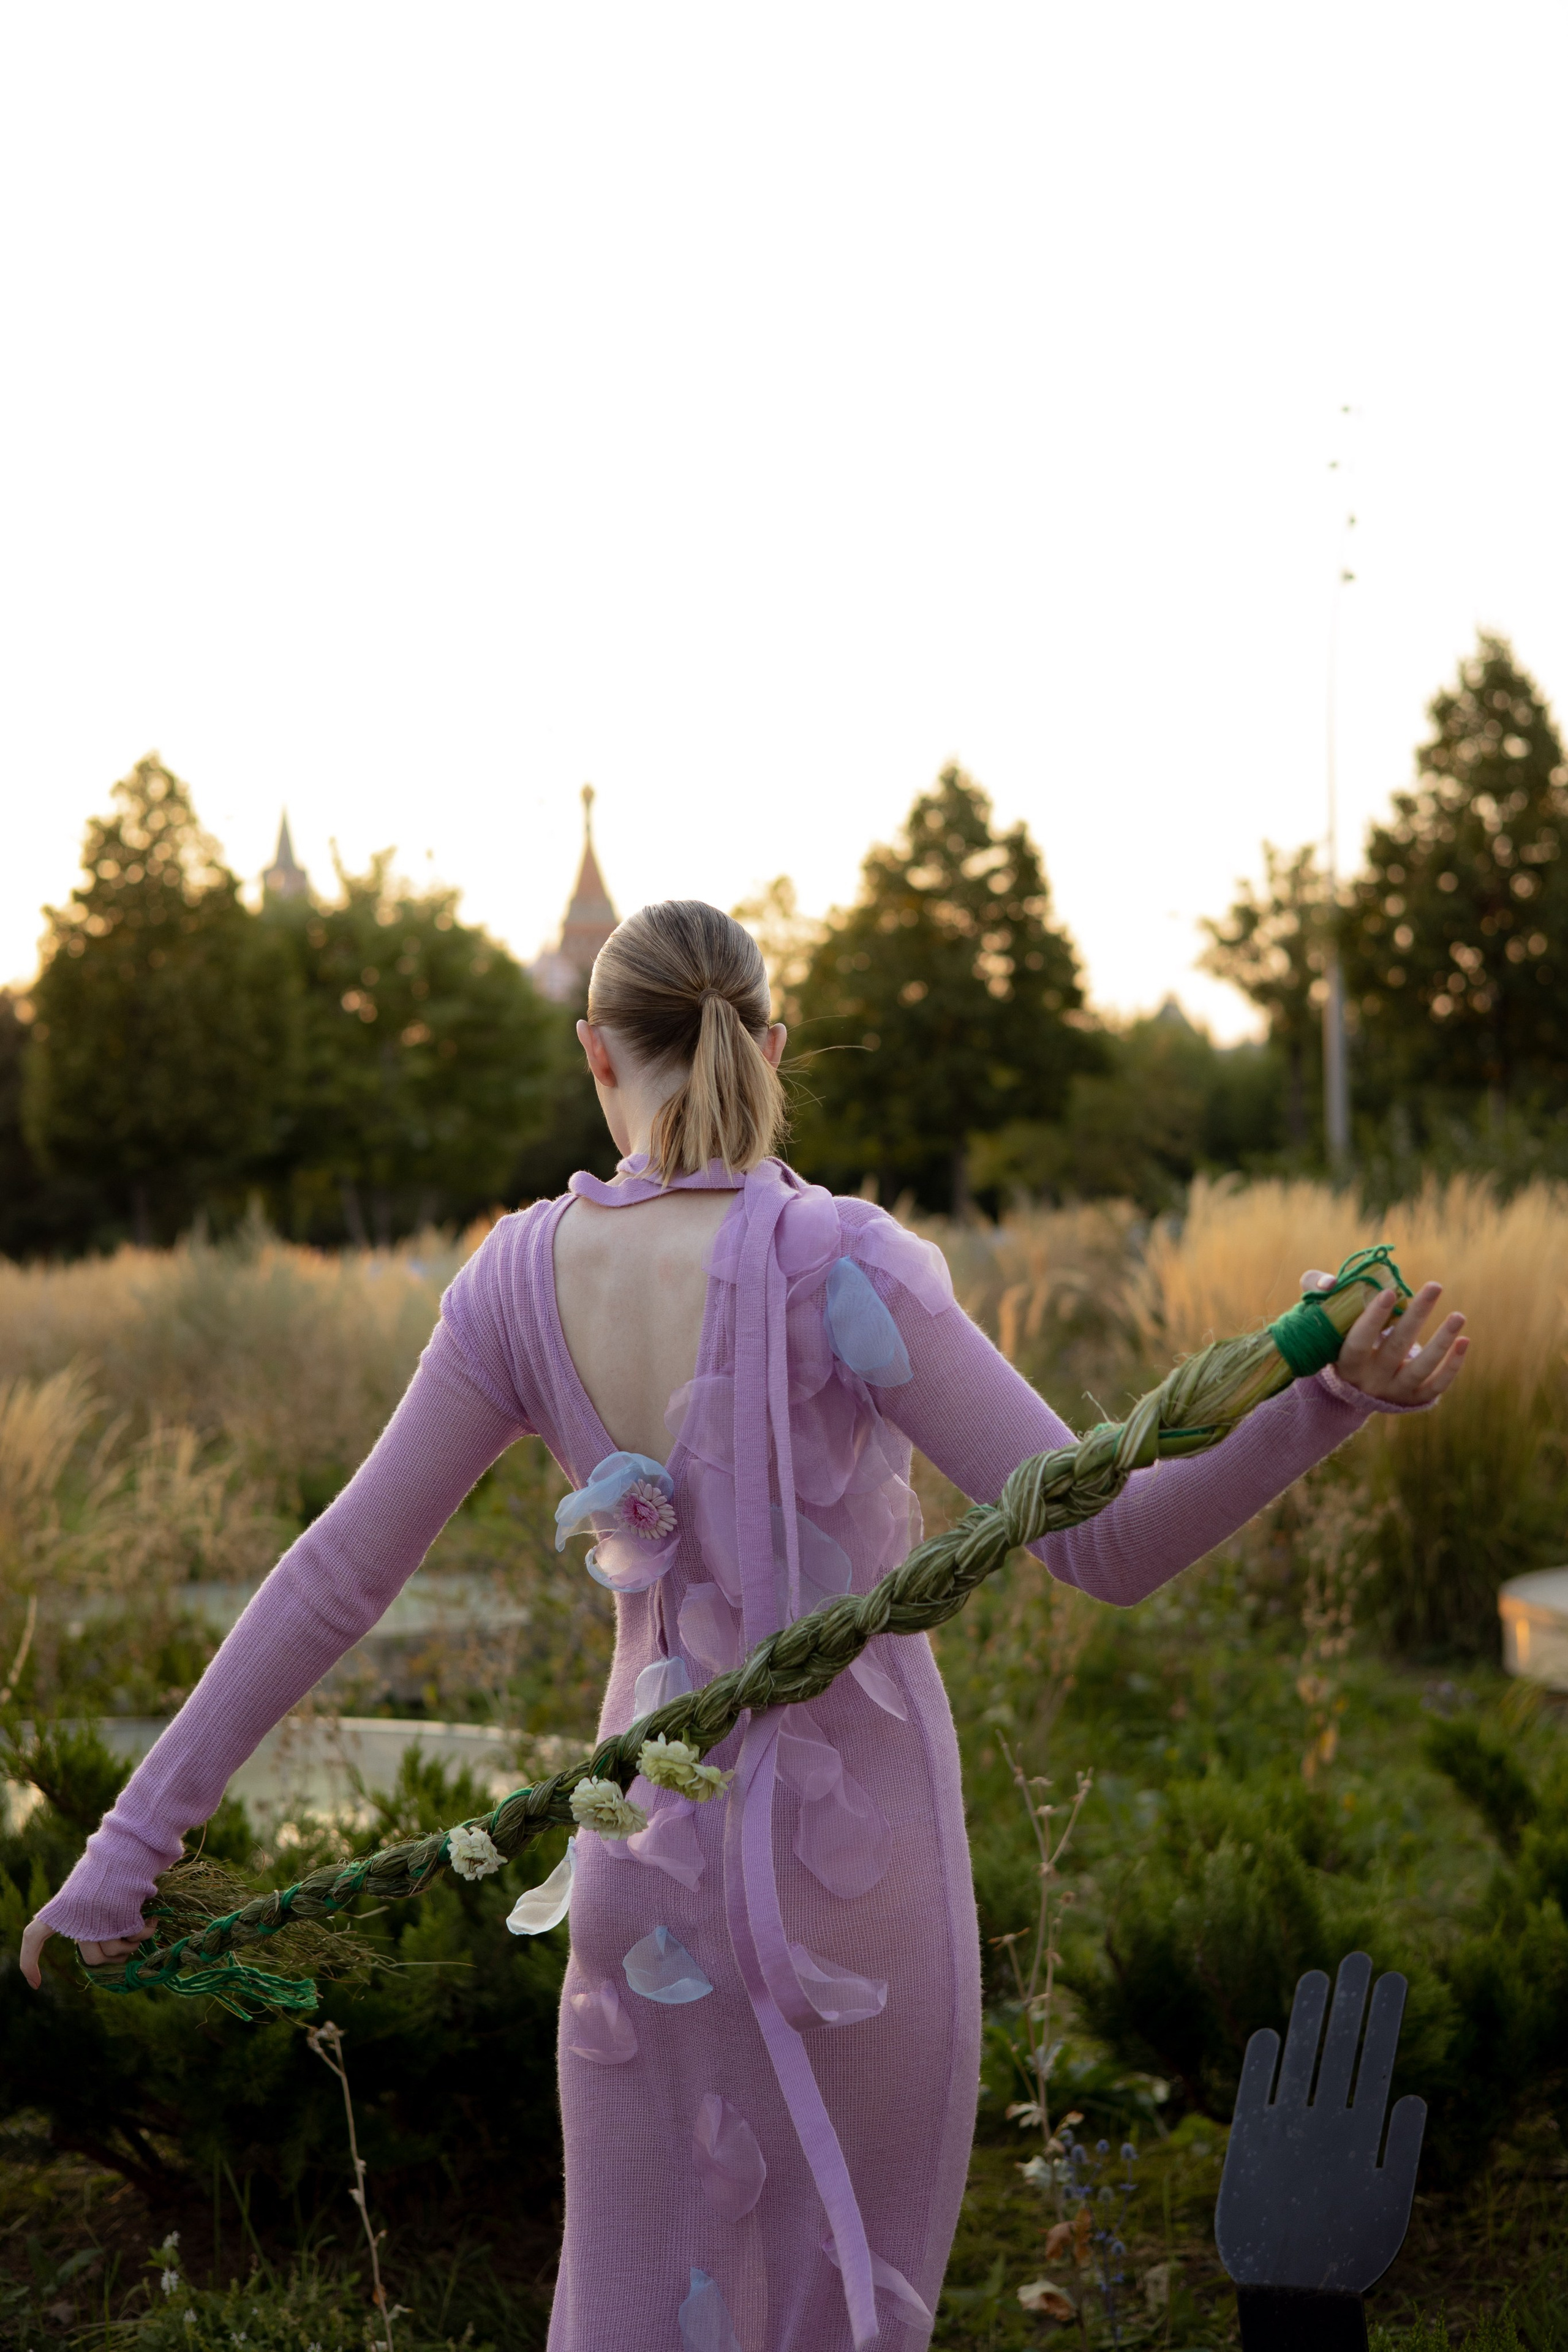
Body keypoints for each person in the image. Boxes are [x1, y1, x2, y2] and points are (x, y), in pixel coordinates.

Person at [23, 900, 1467, 2352]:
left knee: (640, 2310)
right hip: (861, 1893)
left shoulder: (513, 1284)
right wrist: (1323, 1399)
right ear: (769, 1046)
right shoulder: (846, 1264)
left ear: (594, 1054)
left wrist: (123, 1853)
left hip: (645, 1872)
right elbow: (1106, 1544)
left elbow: (335, 1574)